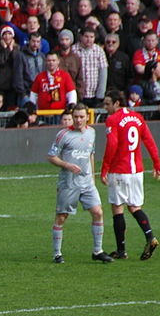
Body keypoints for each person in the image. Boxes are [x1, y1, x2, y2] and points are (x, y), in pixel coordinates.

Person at [100, 90, 160, 261]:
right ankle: (150, 237)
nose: (105, 107)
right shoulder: (138, 118)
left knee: (117, 208)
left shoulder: (112, 120)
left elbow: (112, 144)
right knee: (135, 207)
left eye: (107, 104)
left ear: (117, 103)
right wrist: (157, 163)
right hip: (136, 171)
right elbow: (149, 140)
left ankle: (121, 251)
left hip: (119, 169)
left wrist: (105, 168)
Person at [47, 103, 113, 264]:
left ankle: (97, 251)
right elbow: (51, 156)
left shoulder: (92, 132)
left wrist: (92, 176)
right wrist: (67, 165)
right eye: (75, 117)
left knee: (98, 212)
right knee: (62, 217)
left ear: (86, 117)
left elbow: (91, 154)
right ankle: (57, 253)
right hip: (68, 183)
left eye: (81, 117)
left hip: (87, 183)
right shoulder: (63, 135)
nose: (78, 120)